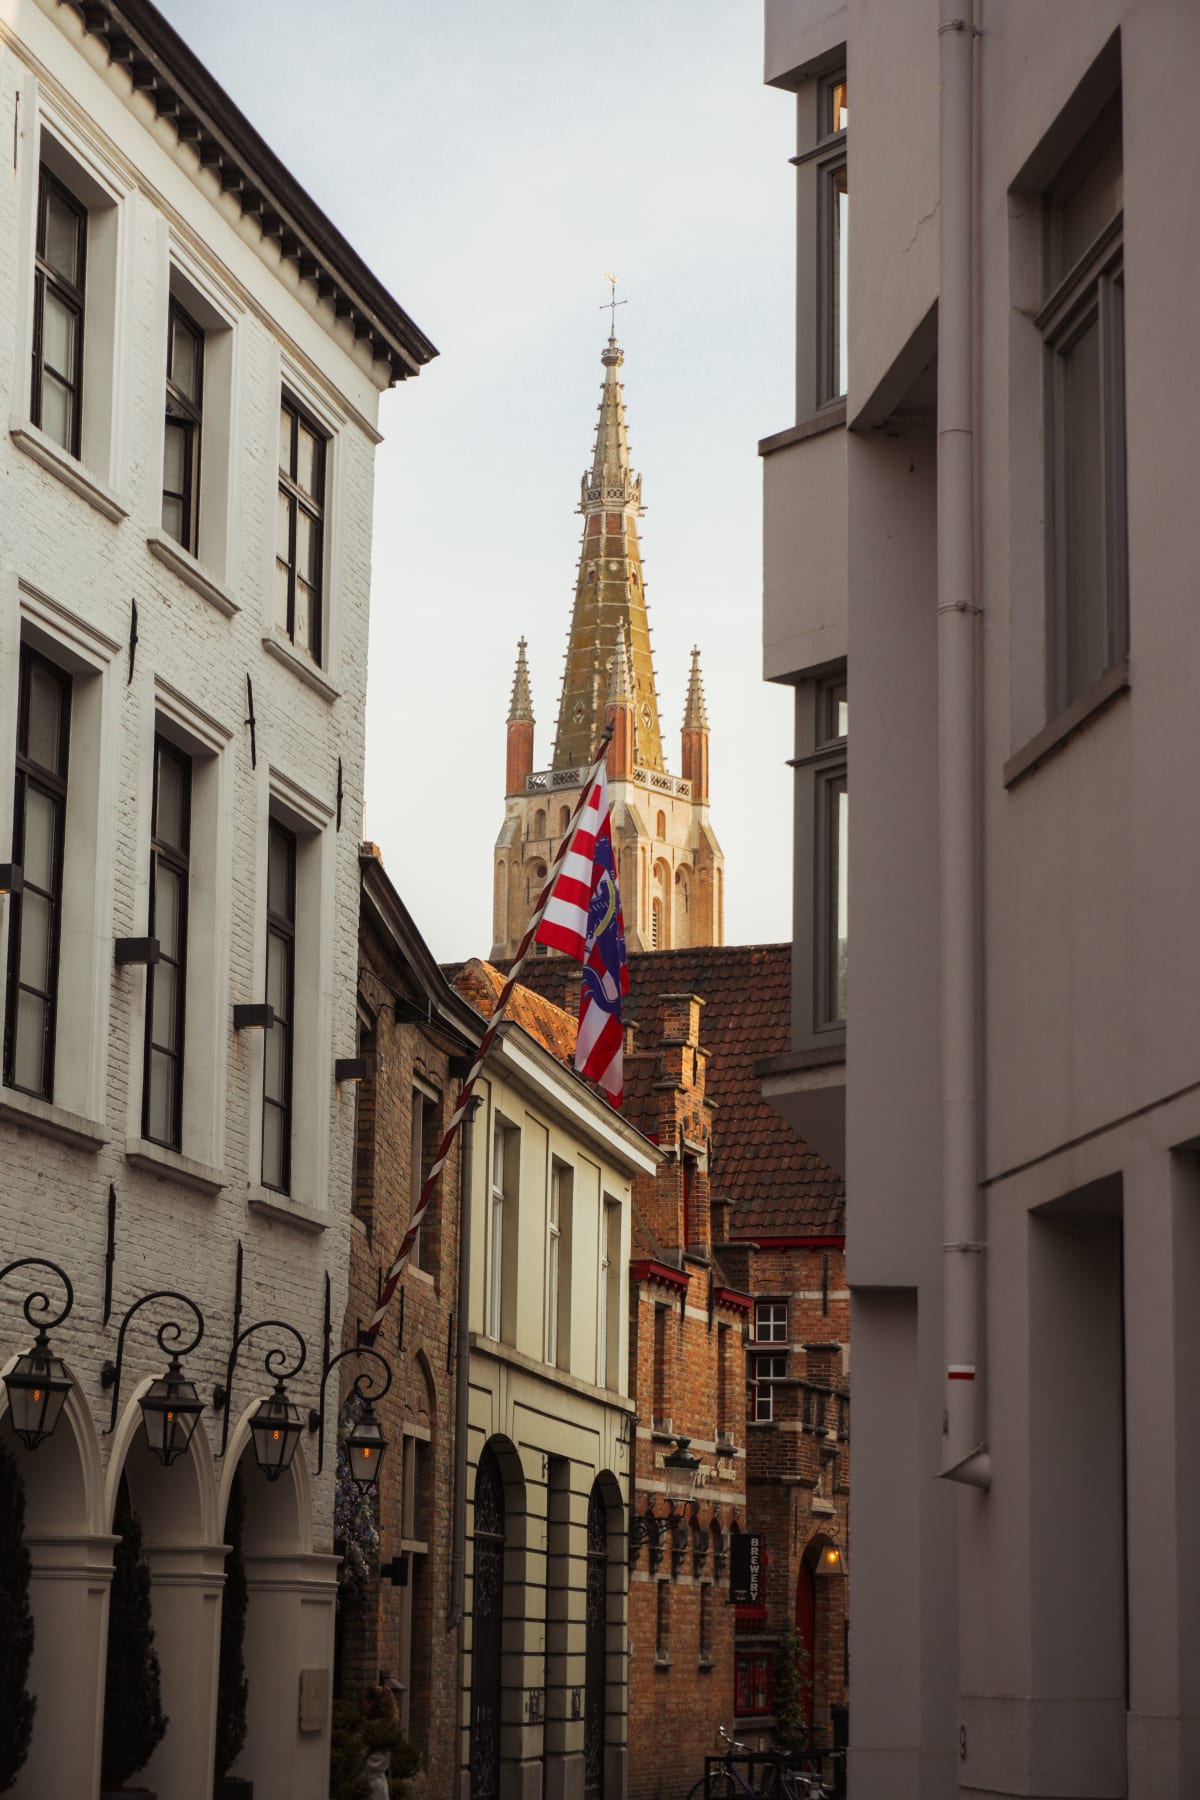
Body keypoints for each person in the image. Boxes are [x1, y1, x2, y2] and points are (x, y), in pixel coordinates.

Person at [360, 1683, 399, 1800]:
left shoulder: (371, 1730)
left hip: (369, 1786)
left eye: (363, 1700)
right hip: (379, 1786)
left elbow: (360, 1759)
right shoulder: (386, 1727)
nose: (361, 1703)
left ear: (371, 1703)